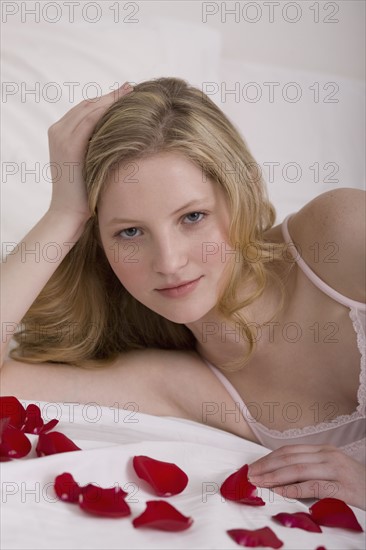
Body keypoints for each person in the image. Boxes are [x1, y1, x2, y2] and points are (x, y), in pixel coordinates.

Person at [1, 78, 365, 509]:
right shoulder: (180, 384)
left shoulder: (339, 234)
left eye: (193, 216)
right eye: (130, 232)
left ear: (244, 188)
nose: (169, 262)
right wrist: (64, 212)